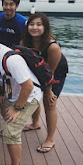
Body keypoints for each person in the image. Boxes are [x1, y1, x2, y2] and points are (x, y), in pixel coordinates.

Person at [0, 25, 42, 165]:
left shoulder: (12, 60)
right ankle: (14, 133)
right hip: (13, 93)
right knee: (6, 114)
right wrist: (2, 94)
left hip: (29, 96)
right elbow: (1, 76)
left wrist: (16, 108)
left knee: (10, 132)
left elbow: (28, 87)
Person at [20, 12, 68, 153]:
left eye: (39, 24)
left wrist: (48, 90)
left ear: (45, 27)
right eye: (32, 24)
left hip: (55, 74)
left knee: (49, 104)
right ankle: (35, 123)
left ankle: (50, 139)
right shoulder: (25, 43)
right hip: (37, 71)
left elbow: (50, 73)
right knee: (34, 97)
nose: (35, 27)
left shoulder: (53, 47)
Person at [0, 0, 27, 115]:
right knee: (0, 82)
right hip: (0, 56)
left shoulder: (22, 22)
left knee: (17, 86)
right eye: (5, 4)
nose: (8, 7)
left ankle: (21, 110)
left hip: (15, 58)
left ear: (16, 6)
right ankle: (1, 107)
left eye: (11, 4)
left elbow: (24, 42)